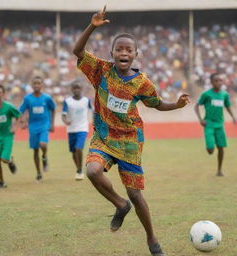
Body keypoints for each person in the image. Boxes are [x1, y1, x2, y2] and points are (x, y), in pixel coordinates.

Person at [73, 6, 190, 256]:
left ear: (136, 54)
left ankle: (152, 239)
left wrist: (176, 105)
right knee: (92, 170)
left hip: (129, 142)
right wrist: (93, 25)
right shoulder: (101, 70)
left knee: (136, 196)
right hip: (103, 137)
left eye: (128, 49)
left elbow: (156, 104)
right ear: (113, 53)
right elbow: (78, 51)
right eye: (119, 49)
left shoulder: (142, 83)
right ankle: (119, 205)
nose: (123, 52)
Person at [195, 73, 236, 176]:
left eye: (220, 80)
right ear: (212, 82)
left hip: (220, 125)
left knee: (221, 147)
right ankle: (209, 147)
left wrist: (233, 117)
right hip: (208, 124)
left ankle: (219, 170)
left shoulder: (224, 95)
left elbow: (228, 106)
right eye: (216, 81)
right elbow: (196, 106)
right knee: (210, 150)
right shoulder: (207, 94)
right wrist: (200, 119)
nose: (219, 82)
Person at [19, 76, 55, 181]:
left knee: (43, 144)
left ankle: (44, 156)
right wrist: (23, 121)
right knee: (35, 151)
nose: (36, 85)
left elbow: (53, 109)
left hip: (44, 124)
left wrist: (52, 124)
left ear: (42, 85)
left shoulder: (47, 98)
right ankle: (39, 173)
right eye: (34, 83)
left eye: (39, 83)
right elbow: (21, 110)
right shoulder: (27, 98)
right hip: (33, 126)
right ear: (32, 85)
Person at [62, 80, 93, 180]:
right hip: (71, 129)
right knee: (73, 151)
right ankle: (78, 168)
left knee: (79, 148)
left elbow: (93, 111)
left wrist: (95, 120)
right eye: (74, 88)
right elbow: (63, 115)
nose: (76, 90)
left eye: (78, 88)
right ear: (71, 89)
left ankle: (80, 171)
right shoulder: (67, 102)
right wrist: (66, 120)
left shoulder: (86, 101)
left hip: (82, 128)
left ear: (82, 89)